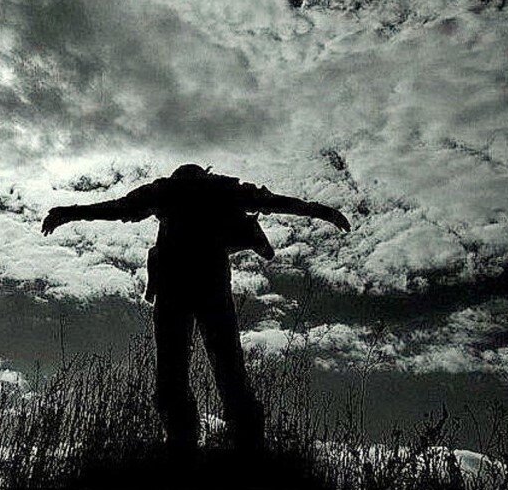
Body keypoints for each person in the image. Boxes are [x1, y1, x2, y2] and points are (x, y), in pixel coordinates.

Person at [41, 164, 350, 455]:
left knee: (184, 369)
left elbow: (118, 208)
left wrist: (70, 212)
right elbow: (275, 202)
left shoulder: (172, 190)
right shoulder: (214, 189)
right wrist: (321, 211)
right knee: (221, 367)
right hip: (203, 285)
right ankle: (233, 440)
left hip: (182, 286)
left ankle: (191, 439)